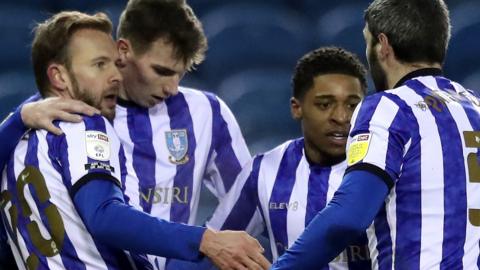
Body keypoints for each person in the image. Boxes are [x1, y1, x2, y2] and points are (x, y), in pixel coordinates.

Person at [0, 0, 264, 269]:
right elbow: (105, 216)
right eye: (161, 71)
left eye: (180, 74)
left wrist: (199, 259)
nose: (173, 88)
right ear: (124, 51)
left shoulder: (206, 111)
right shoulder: (74, 116)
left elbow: (247, 201)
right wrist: (202, 241)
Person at [271, 0, 480, 269]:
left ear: (383, 45)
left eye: (367, 42)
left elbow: (348, 216)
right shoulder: (474, 107)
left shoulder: (390, 107)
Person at [206, 47, 371, 269]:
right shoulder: (265, 171)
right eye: (325, 104)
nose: (341, 117)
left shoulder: (386, 168)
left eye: (353, 105)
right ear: (297, 108)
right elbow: (214, 248)